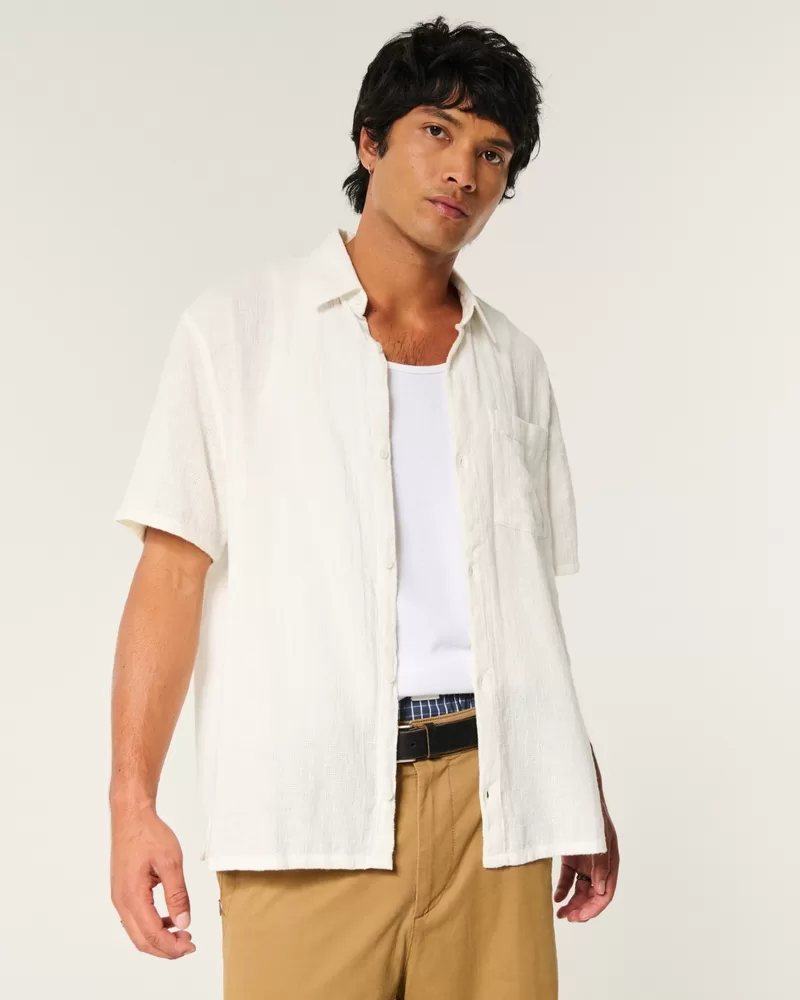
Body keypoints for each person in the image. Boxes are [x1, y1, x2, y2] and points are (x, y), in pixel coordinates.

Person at [109, 14, 619, 999]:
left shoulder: (514, 364)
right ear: (370, 141)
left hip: (494, 809)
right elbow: (169, 576)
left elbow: (522, 609)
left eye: (492, 153)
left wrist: (575, 784)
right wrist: (133, 804)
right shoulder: (237, 332)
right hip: (307, 812)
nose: (463, 170)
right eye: (437, 131)